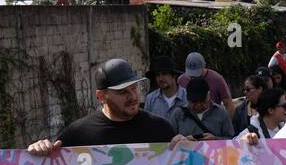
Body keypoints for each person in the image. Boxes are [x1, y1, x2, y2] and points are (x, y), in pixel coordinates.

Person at [28, 58, 177, 149]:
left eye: (134, 89)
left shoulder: (160, 128)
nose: (133, 97)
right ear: (101, 96)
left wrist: (187, 148)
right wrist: (38, 152)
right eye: (123, 92)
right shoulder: (77, 134)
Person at [167, 77, 234, 141]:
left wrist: (215, 139)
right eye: (194, 102)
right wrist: (181, 140)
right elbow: (169, 140)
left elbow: (231, 139)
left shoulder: (221, 113)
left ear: (208, 95)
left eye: (202, 101)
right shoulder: (178, 114)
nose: (198, 105)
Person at [182, 52, 235, 116]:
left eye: (197, 72)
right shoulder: (182, 80)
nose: (193, 76)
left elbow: (229, 104)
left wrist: (225, 123)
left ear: (204, 66)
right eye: (191, 74)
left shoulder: (217, 79)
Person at [143, 56, 183, 120]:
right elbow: (146, 124)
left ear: (174, 75)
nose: (160, 79)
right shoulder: (150, 99)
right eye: (157, 75)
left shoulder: (187, 97)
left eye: (164, 74)